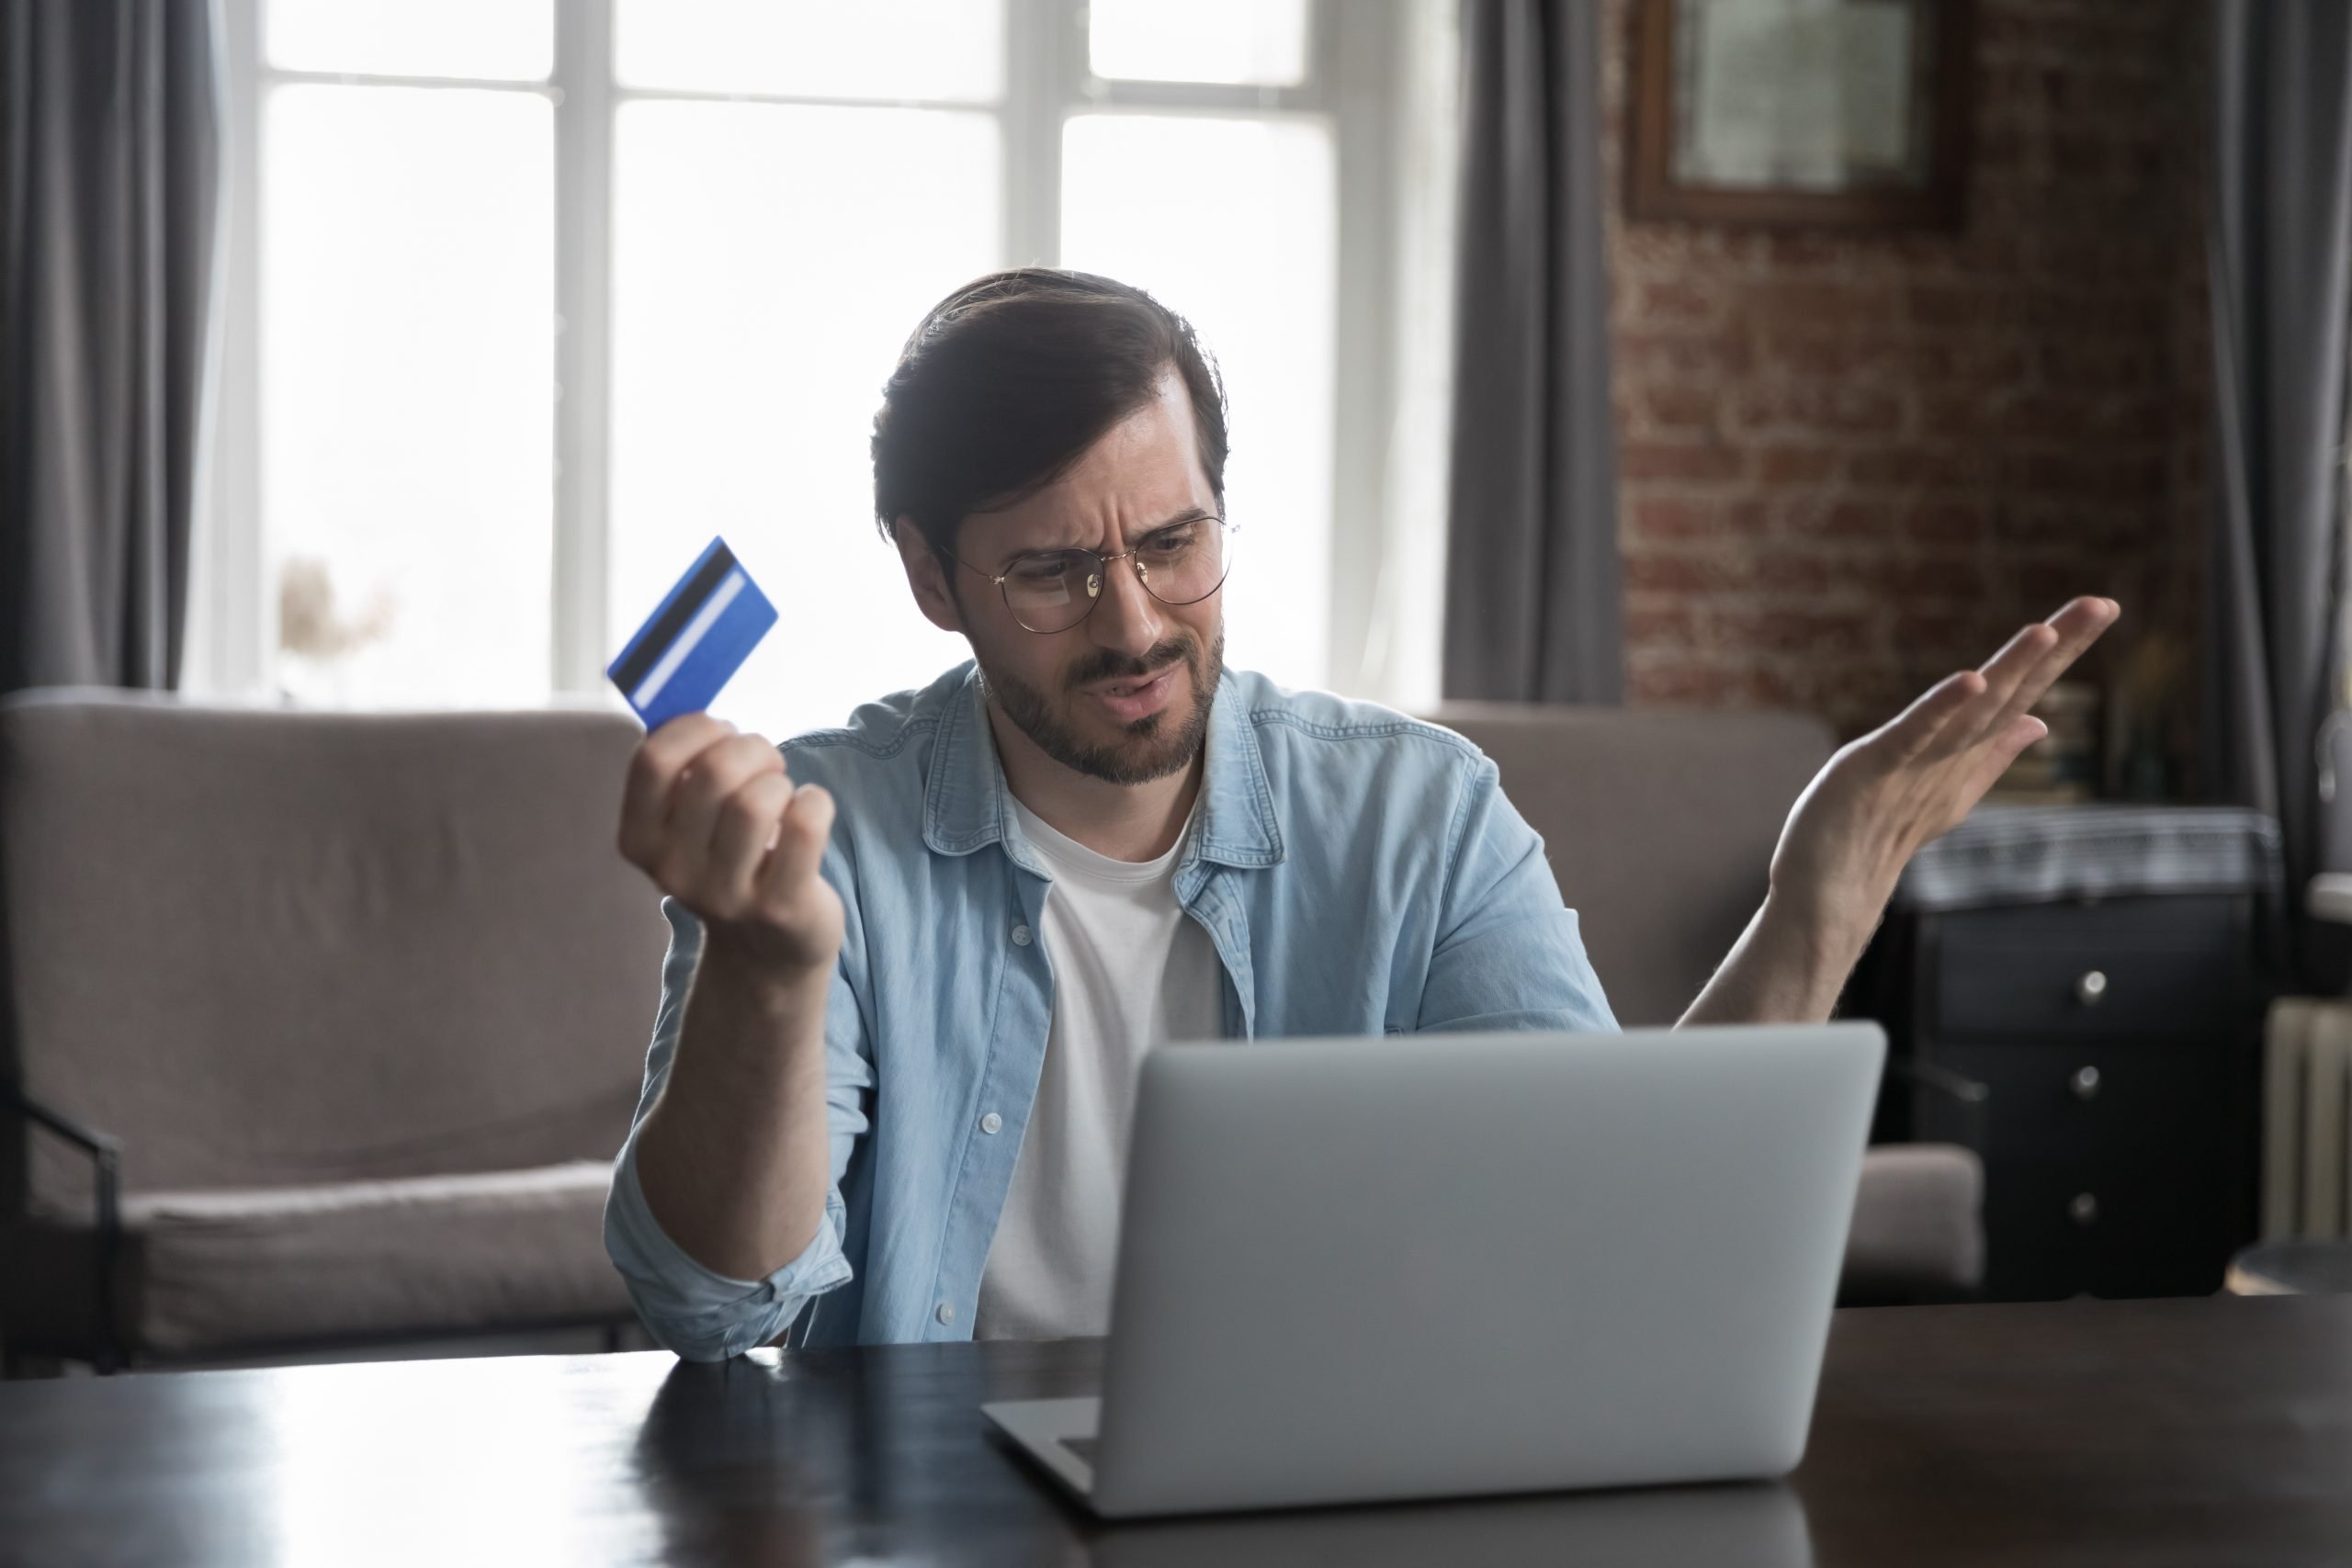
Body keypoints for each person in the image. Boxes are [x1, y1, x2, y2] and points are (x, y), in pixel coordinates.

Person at [602, 268, 2115, 1359]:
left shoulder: (1421, 815)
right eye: (1053, 571)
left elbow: (1609, 1223)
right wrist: (775, 972)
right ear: (932, 577)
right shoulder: (820, 836)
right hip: (939, 1514)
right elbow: (713, 1301)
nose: (1134, 622)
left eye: (1176, 541)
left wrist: (1824, 891)